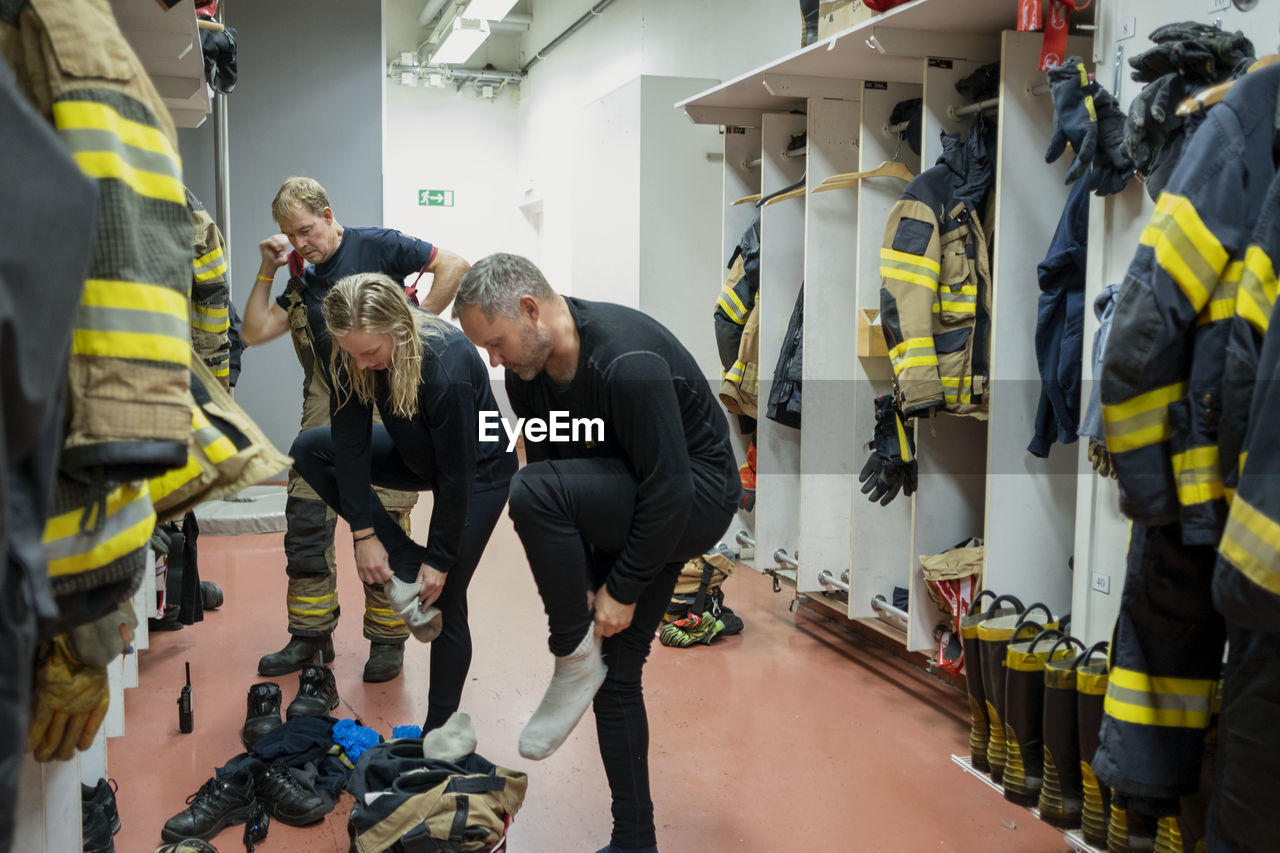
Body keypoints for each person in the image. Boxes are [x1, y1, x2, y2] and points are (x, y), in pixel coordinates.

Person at [453, 254, 741, 853]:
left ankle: (571, 655)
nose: (493, 361)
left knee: (528, 490)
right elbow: (567, 479)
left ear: (530, 310)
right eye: (485, 349)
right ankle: (634, 841)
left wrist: (624, 588)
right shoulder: (528, 377)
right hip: (632, 492)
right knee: (616, 675)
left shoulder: (625, 359)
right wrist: (589, 590)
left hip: (696, 496)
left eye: (496, 343)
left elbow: (671, 488)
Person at [242, 176, 468, 683]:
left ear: (327, 213)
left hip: (387, 395)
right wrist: (267, 268)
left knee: (382, 512)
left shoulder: (378, 245)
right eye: (290, 235)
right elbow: (254, 331)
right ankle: (309, 635)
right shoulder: (302, 275)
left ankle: (388, 640)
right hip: (329, 399)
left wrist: (415, 327)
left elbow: (453, 264)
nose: (301, 243)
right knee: (305, 521)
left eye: (306, 230)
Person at [289, 272, 517, 732]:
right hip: (416, 453)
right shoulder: (351, 352)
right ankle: (406, 557)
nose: (363, 362)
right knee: (311, 448)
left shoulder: (445, 361)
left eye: (371, 352)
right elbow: (349, 444)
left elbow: (458, 475)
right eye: (352, 352)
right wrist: (365, 535)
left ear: (398, 328)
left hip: (480, 470)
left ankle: (437, 732)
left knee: (446, 596)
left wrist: (441, 559)